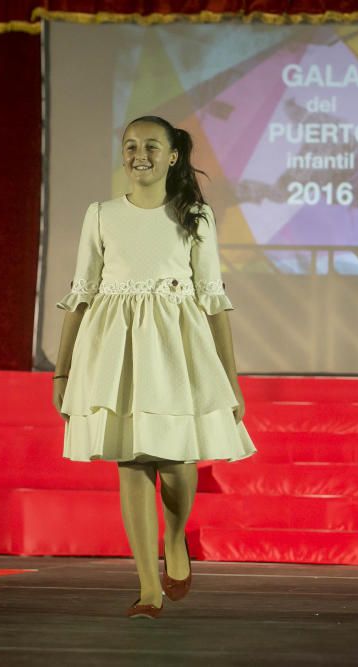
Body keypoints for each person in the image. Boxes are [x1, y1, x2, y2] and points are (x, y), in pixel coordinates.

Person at [51, 115, 257, 619]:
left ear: (172, 157)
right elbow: (81, 294)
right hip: (115, 351)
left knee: (177, 465)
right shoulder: (100, 214)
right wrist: (62, 371)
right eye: (129, 145)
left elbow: (213, 301)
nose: (138, 154)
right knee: (133, 461)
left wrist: (230, 381)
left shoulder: (195, 218)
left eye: (150, 146)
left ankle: (176, 534)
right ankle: (147, 586)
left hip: (176, 351)